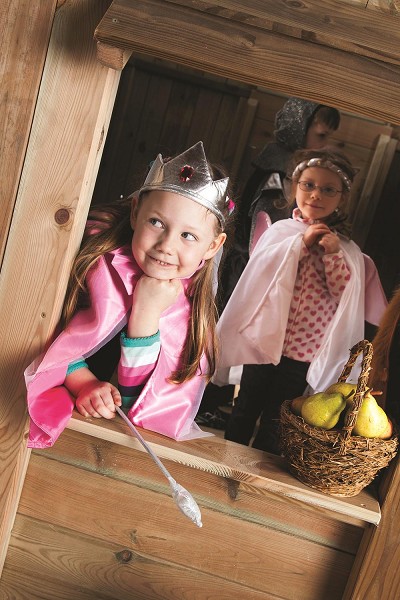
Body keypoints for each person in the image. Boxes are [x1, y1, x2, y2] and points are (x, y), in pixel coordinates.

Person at [25, 141, 234, 448]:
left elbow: (138, 404)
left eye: (188, 235)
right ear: (136, 213)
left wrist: (146, 315)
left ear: (213, 246)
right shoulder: (93, 256)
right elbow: (38, 328)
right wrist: (84, 381)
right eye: (157, 222)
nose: (166, 245)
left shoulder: (191, 315)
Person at [214, 147, 388, 454]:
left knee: (278, 416)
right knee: (245, 405)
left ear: (341, 198)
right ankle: (228, 459)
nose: (315, 195)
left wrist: (332, 255)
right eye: (308, 185)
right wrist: (298, 246)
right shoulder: (282, 233)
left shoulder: (345, 249)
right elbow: (262, 276)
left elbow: (343, 295)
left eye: (328, 189)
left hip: (303, 351)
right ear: (295, 186)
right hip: (265, 341)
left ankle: (261, 471)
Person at [195, 98, 341, 428]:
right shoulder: (280, 174)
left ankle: (218, 405)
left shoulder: (288, 169)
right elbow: (262, 238)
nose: (325, 145)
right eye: (320, 135)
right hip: (252, 273)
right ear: (298, 130)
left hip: (263, 276)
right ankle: (209, 406)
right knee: (235, 343)